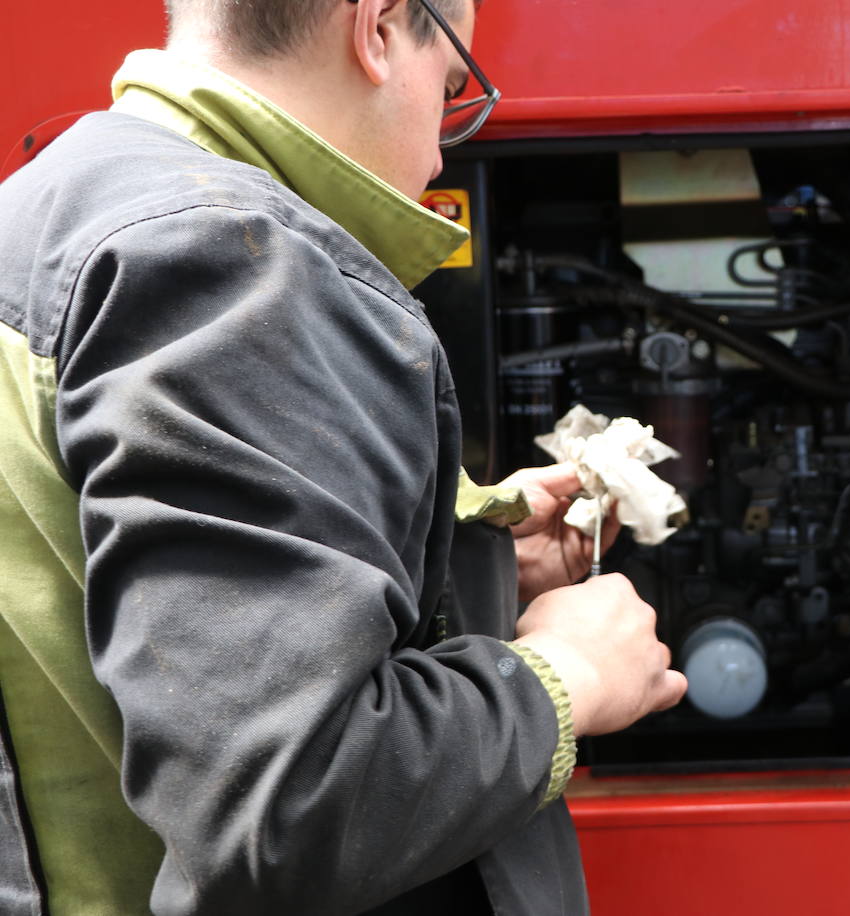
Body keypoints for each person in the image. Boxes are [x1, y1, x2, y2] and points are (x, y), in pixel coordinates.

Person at [0, 0, 687, 912]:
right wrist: (568, 679)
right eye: (452, 87)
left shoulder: (45, 210)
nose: (443, 153)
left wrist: (468, 565)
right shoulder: (235, 265)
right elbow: (280, 807)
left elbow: (123, 594)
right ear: (378, 27)